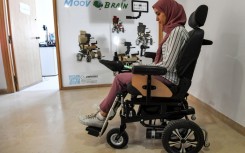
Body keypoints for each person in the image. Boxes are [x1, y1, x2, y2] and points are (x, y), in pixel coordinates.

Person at [79, 0, 189, 128]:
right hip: (166, 76)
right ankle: (106, 108)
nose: (156, 19)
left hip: (167, 78)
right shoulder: (176, 31)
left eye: (158, 14)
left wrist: (143, 69)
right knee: (126, 74)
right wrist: (143, 68)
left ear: (170, 12)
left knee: (120, 78)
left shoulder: (176, 32)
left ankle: (101, 115)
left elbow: (168, 65)